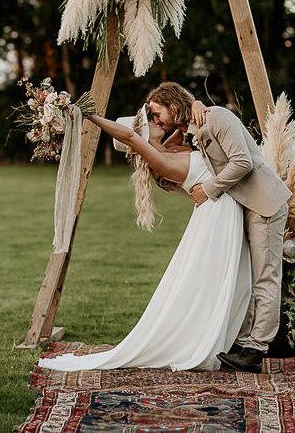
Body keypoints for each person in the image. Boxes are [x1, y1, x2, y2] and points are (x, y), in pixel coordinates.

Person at [38, 106, 252, 372]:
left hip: (221, 207)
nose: (155, 121)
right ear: (139, 133)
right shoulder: (157, 159)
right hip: (217, 213)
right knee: (211, 279)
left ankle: (223, 337)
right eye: (149, 122)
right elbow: (128, 138)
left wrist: (194, 104)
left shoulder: (174, 145)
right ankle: (203, 341)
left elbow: (187, 121)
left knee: (218, 279)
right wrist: (88, 114)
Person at [146, 82, 291, 374]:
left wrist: (209, 189)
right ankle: (244, 339)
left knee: (265, 277)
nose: (155, 120)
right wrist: (164, 129)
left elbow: (243, 162)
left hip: (263, 204)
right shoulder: (192, 126)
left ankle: (256, 350)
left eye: (157, 113)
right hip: (242, 208)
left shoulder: (219, 118)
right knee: (244, 277)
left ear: (173, 105)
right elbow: (165, 147)